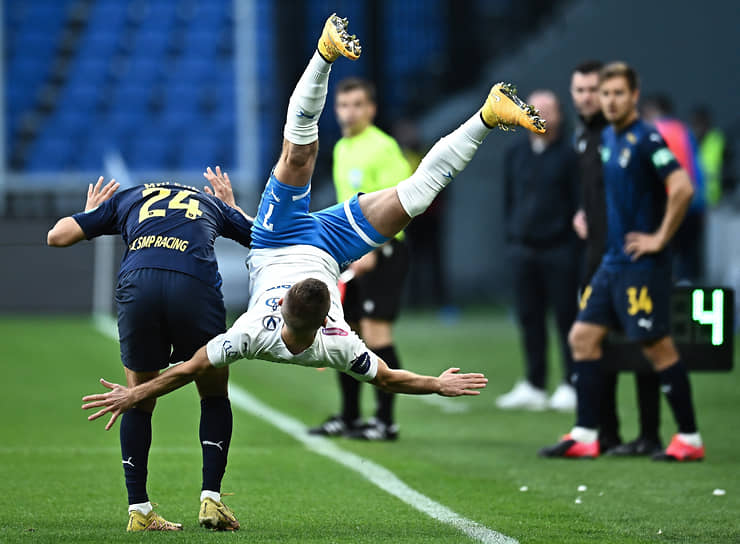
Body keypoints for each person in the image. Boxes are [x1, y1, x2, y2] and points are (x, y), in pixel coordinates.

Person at [80, 14, 545, 440]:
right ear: (328, 318)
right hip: (331, 248)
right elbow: (386, 377)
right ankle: (488, 113)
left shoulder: (249, 335)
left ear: (282, 306)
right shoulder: (338, 345)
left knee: (299, 155)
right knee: (417, 197)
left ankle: (324, 52)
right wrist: (436, 385)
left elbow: (185, 370)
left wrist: (132, 394)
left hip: (276, 234)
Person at [47, 170, 253, 531]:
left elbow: (57, 236)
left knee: (138, 398)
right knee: (214, 392)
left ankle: (139, 511)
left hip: (139, 284)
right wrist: (232, 208)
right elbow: (266, 237)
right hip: (194, 286)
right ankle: (211, 499)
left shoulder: (126, 198)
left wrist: (91, 212)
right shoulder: (210, 203)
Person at [539, 62, 705, 461]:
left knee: (657, 346)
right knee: (582, 338)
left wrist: (660, 238)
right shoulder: (609, 138)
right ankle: (585, 433)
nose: (608, 101)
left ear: (634, 95)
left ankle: (690, 438)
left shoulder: (646, 138)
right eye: (604, 94)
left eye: (617, 94)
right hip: (612, 262)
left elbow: (682, 186)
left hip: (641, 265)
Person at [309, 77, 411, 441]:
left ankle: (385, 421)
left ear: (371, 109)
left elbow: (400, 204)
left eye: (356, 105)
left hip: (382, 252)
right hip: (352, 255)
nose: (348, 113)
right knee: (344, 333)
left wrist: (371, 248)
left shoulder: (383, 149)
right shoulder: (341, 149)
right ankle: (350, 416)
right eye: (342, 106)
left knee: (376, 333)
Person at [570, 60, 662, 457]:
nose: (590, 97)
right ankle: (603, 431)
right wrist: (583, 212)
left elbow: (662, 189)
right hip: (597, 259)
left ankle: (650, 434)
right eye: (583, 90)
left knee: (644, 342)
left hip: (630, 258)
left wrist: (656, 237)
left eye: (598, 90)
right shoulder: (587, 138)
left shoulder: (626, 137)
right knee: (593, 343)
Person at [496, 90, 580, 412]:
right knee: (529, 318)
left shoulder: (570, 155)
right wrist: (512, 236)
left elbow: (577, 203)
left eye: (547, 109)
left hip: (559, 250)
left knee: (565, 318)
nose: (540, 115)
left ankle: (570, 383)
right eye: (533, 109)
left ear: (560, 115)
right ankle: (534, 382)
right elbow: (509, 200)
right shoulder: (515, 152)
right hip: (523, 249)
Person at [642, 94, 706, 282]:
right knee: (688, 256)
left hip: (663, 206)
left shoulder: (649, 131)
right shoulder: (684, 131)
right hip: (690, 203)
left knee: (660, 254)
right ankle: (686, 293)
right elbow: (697, 168)